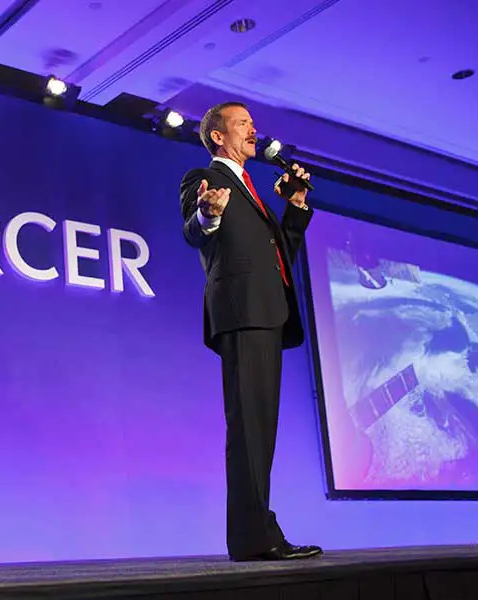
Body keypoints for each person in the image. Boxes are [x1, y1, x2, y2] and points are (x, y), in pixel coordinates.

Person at [179, 101, 323, 562]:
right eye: (243, 124)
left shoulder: (250, 188)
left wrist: (295, 207)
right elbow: (195, 231)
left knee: (262, 429)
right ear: (218, 136)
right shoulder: (206, 180)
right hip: (242, 313)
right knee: (248, 428)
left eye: (253, 124)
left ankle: (259, 530)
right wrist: (207, 214)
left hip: (267, 312)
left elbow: (279, 259)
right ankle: (251, 537)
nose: (252, 130)